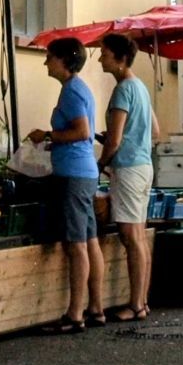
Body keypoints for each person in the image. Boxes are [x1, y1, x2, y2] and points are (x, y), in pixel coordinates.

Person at [29, 36, 105, 333]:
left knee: (76, 246)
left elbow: (81, 132)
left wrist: (47, 136)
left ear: (63, 60)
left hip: (73, 175)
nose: (46, 62)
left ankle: (75, 314)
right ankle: (96, 307)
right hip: (84, 173)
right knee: (90, 240)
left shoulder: (72, 92)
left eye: (50, 57)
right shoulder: (78, 89)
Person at [99, 34, 158, 322]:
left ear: (120, 59)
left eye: (105, 54)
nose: (100, 58)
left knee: (131, 236)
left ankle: (136, 304)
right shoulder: (141, 88)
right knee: (138, 236)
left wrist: (100, 162)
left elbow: (115, 139)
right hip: (144, 165)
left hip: (128, 167)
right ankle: (141, 301)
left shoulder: (123, 90)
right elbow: (155, 129)